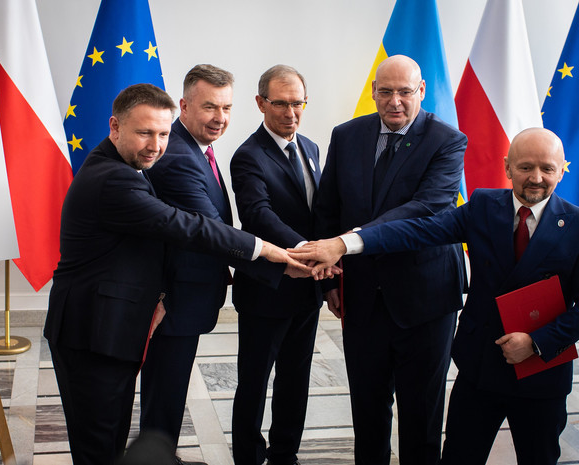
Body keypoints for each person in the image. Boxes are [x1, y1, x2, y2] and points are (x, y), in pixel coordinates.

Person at [43, 83, 306, 465]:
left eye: (163, 134)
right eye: (144, 133)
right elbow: (187, 226)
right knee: (98, 447)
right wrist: (268, 250)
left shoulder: (125, 166)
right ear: (115, 127)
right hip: (91, 329)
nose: (156, 145)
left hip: (109, 326)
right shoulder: (113, 178)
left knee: (111, 438)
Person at [289, 127, 579, 465]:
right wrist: (344, 244)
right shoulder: (484, 206)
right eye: (526, 167)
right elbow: (419, 230)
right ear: (507, 167)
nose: (536, 178)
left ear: (562, 170)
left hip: (541, 376)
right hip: (479, 371)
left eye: (547, 168)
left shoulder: (574, 225)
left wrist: (536, 342)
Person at [313, 55, 467, 464]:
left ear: (421, 91)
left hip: (425, 298)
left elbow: (426, 209)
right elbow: (328, 208)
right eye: (385, 92)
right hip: (362, 296)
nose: (394, 101)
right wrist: (329, 282)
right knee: (367, 409)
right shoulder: (346, 135)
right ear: (374, 91)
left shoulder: (448, 140)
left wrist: (349, 242)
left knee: (421, 413)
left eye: (404, 92)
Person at [142, 65, 284, 463]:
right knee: (164, 394)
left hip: (186, 295)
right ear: (184, 106)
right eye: (209, 107)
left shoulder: (197, 149)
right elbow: (213, 232)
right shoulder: (179, 157)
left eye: (226, 107)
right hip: (173, 299)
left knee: (167, 393)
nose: (219, 117)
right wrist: (280, 262)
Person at [229, 64, 323, 465]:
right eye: (281, 103)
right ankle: (248, 458)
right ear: (260, 103)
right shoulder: (248, 155)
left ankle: (285, 454)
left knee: (295, 379)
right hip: (267, 289)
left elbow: (319, 213)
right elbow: (258, 214)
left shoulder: (311, 148)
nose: (290, 113)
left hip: (308, 288)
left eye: (298, 103)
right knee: (254, 382)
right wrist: (303, 249)